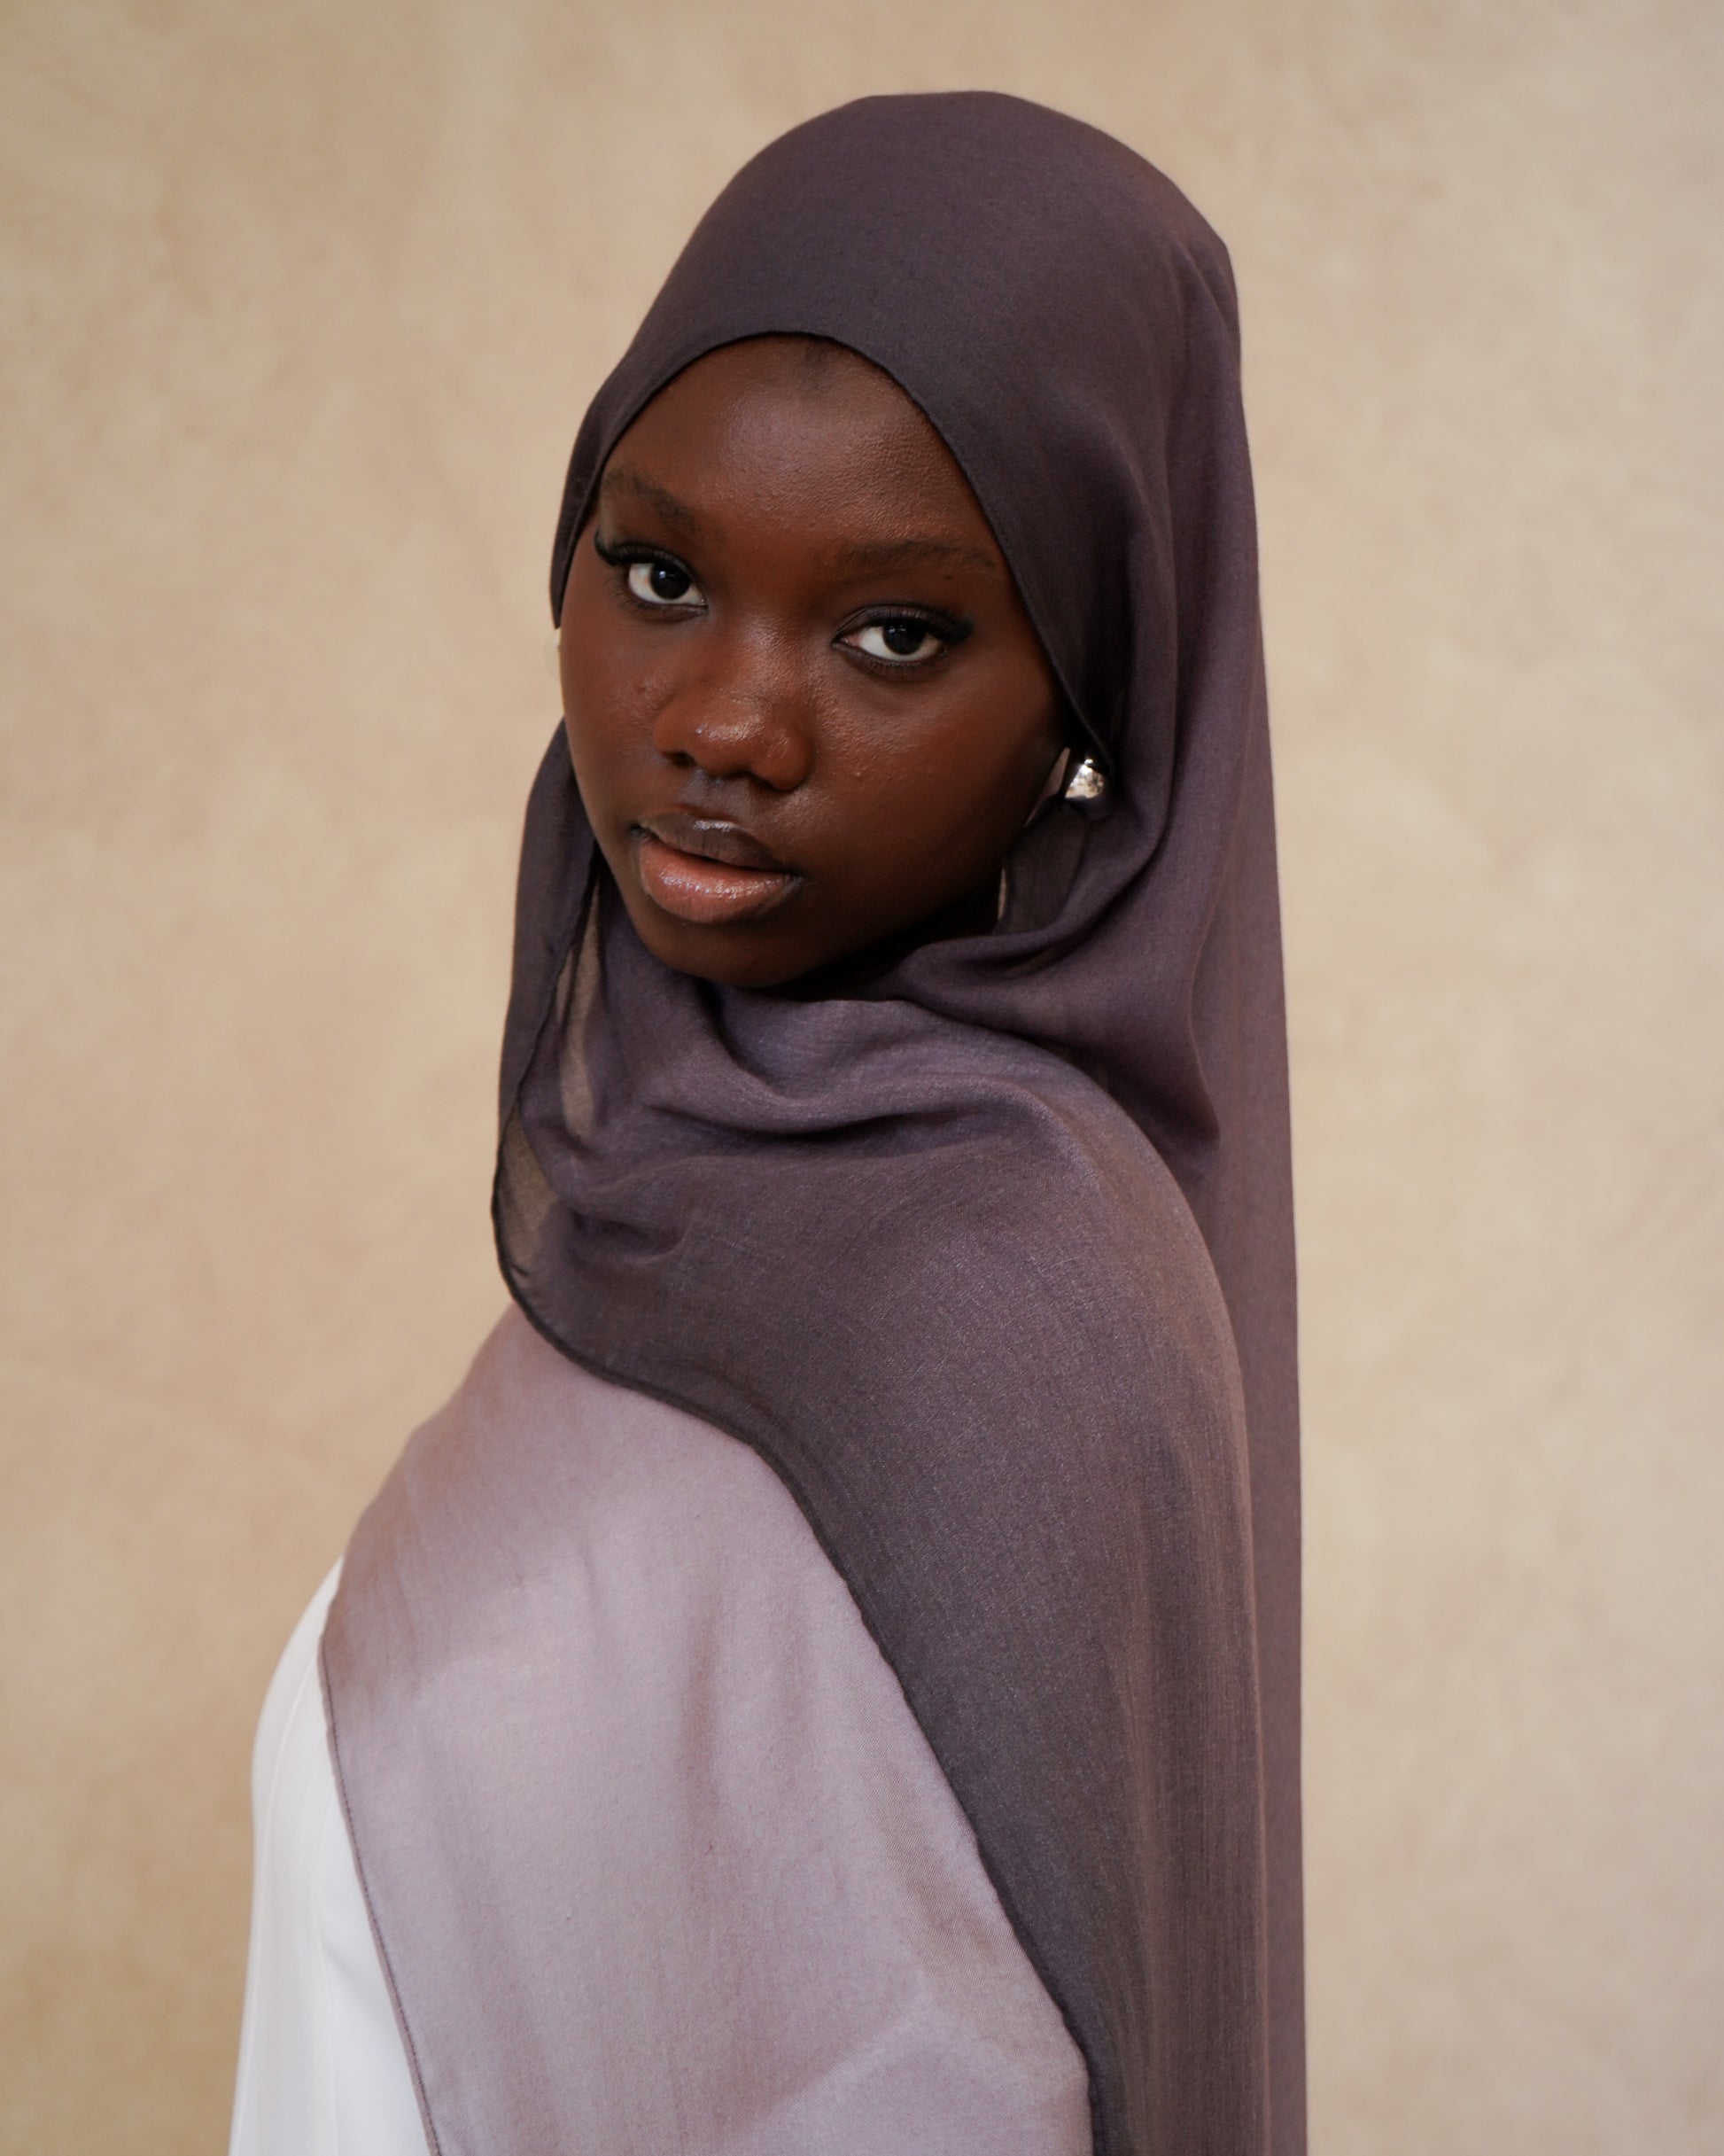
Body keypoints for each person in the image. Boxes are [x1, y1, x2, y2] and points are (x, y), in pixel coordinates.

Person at [229, 90, 1302, 2156]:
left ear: (1088, 699)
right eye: (655, 572)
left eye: (895, 631)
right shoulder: (671, 1199)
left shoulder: (1012, 1290)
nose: (723, 722)